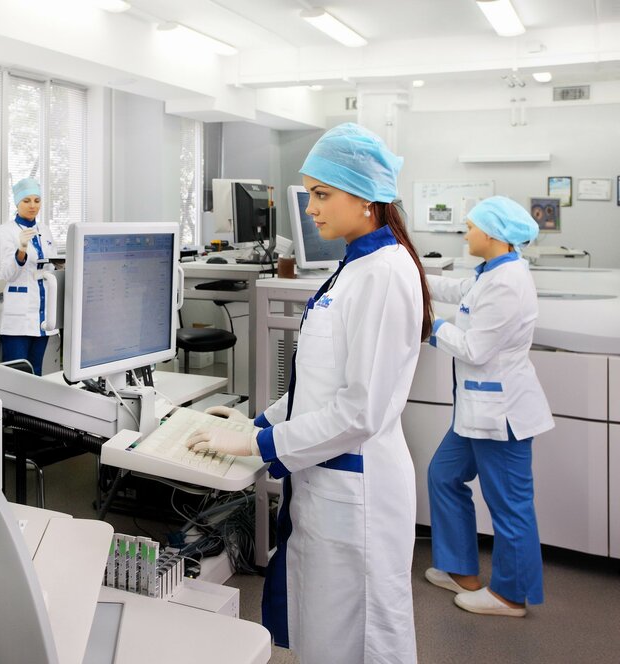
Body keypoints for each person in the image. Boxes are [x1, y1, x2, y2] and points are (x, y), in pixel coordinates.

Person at [187, 123, 430, 663]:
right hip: (327, 482)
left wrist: (258, 446)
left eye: (322, 194)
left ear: (365, 197)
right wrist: (258, 423)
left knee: (361, 642)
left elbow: (359, 411)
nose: (311, 208)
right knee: (323, 635)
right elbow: (319, 386)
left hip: (358, 492)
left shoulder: (385, 273)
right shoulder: (355, 266)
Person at [423, 196, 553, 617]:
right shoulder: (489, 273)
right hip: (476, 410)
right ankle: (461, 570)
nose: (466, 233)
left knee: (510, 505)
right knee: (444, 476)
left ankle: (510, 596)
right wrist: (409, 274)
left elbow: (475, 349)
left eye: (470, 226)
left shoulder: (508, 283)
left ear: (493, 234)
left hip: (502, 414)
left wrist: (432, 326)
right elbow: (456, 290)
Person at [0, 177, 57, 376]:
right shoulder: (6, 231)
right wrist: (21, 250)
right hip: (18, 317)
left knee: (36, 372)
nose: (33, 206)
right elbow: (8, 274)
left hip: (43, 315)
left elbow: (52, 266)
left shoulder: (45, 230)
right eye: (27, 201)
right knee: (16, 374)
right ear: (17, 203)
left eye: (37, 201)